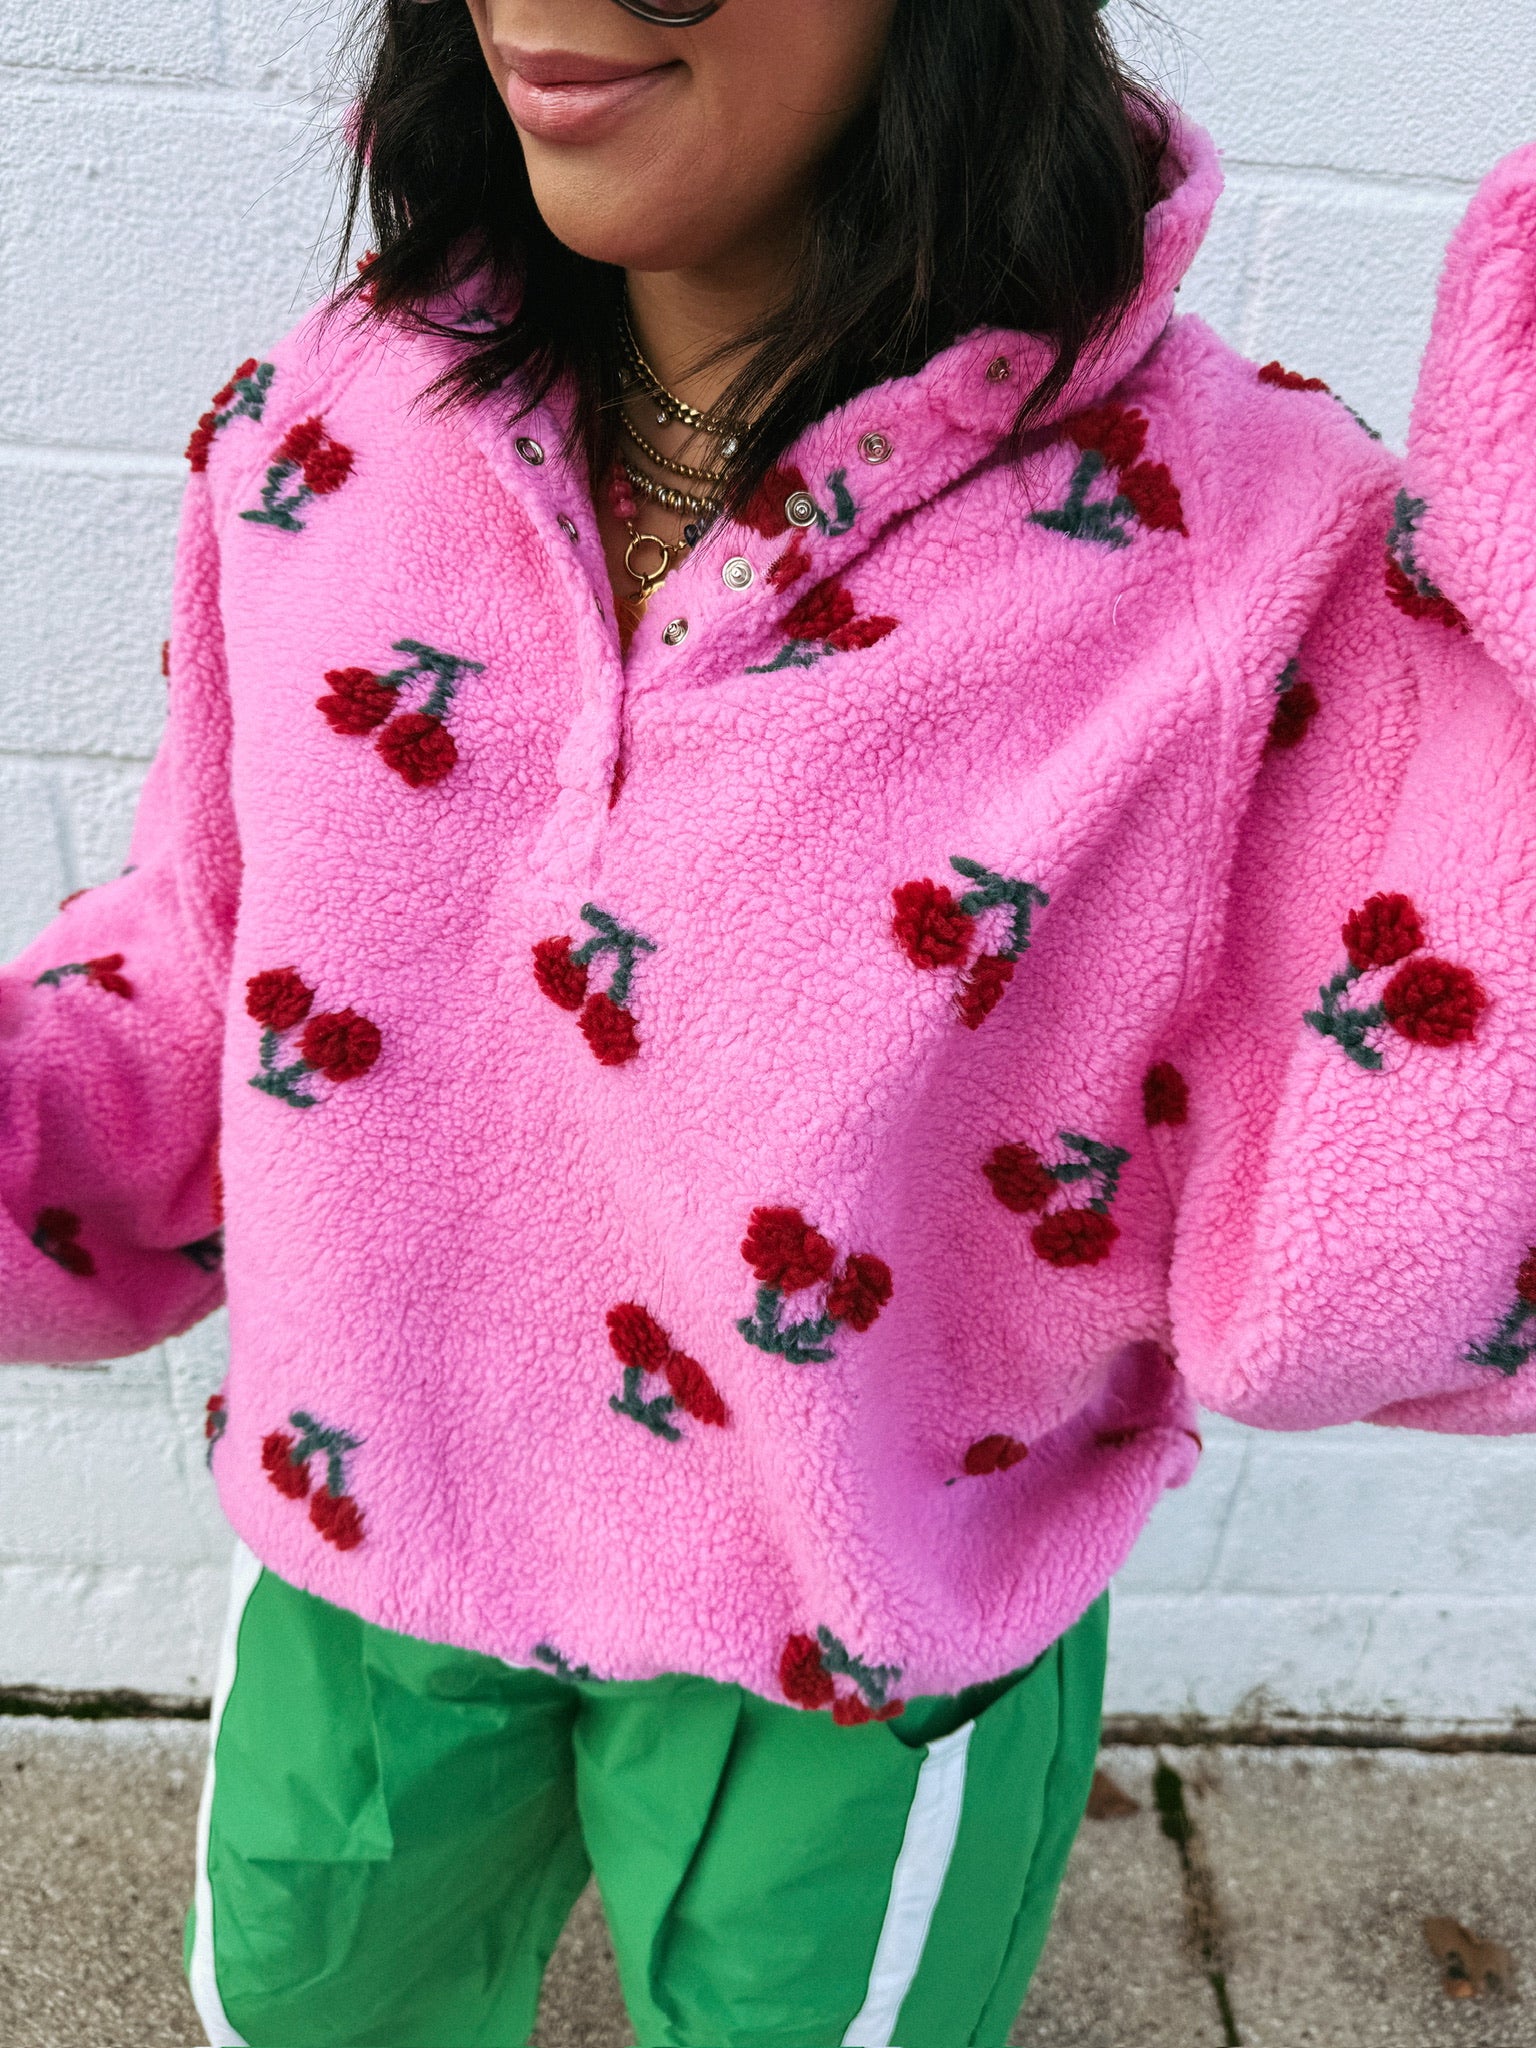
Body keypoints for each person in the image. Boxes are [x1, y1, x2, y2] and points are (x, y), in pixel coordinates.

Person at [4, 0, 1534, 2041]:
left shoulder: (1252, 568)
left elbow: (1397, 1231)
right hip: (373, 1525)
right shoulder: (332, 426)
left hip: (859, 1638)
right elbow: (217, 974)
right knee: (307, 2006)